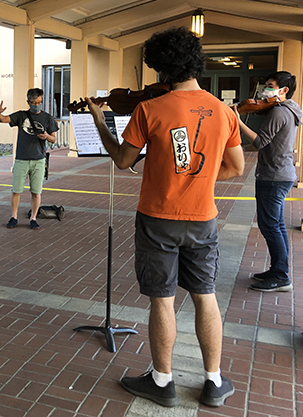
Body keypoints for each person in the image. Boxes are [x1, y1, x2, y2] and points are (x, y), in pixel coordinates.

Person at [84, 27, 244, 408]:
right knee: (206, 297)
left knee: (163, 300)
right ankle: (214, 381)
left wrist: (100, 121)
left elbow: (123, 161)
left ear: (161, 68)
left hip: (158, 219)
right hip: (203, 218)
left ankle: (162, 380)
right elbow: (236, 168)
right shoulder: (223, 111)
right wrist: (198, 176)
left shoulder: (150, 109)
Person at [234, 71, 302, 292]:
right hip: (282, 174)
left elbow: (261, 142)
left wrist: (236, 121)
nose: (266, 90)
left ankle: (281, 276)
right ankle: (277, 269)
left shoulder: (279, 113)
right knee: (277, 225)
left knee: (270, 226)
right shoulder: (291, 109)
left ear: (284, 91)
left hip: (273, 176)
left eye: (271, 86)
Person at [0, 88, 58, 229]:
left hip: (39, 160)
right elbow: (3, 119)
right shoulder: (21, 115)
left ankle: (33, 218)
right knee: (16, 190)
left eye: (39, 102)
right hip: (21, 159)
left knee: (36, 192)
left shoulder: (48, 118)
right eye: (33, 102)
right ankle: (14, 217)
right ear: (28, 102)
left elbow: (54, 139)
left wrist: (47, 136)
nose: (36, 105)